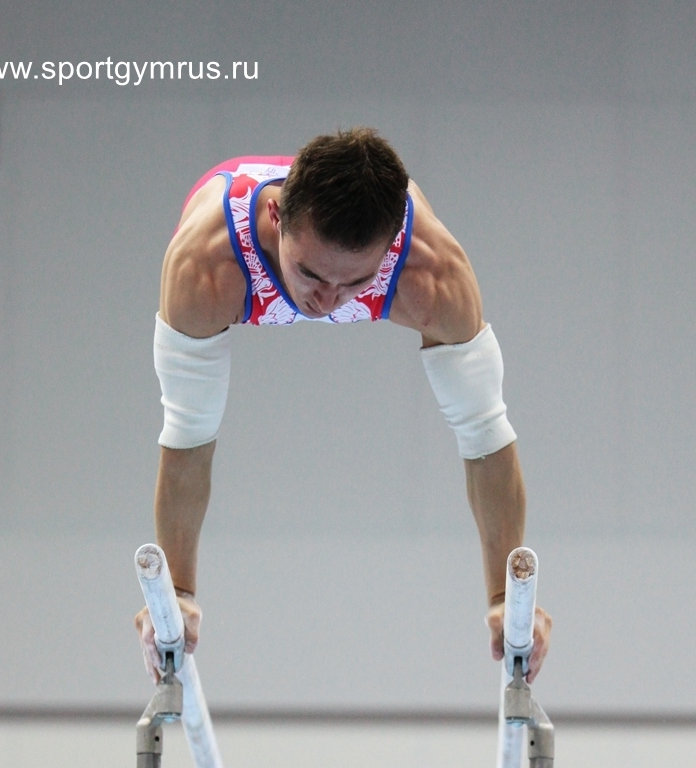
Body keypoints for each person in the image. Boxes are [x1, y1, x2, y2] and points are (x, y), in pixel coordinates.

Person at [134, 127, 552, 685]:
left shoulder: (429, 274)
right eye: (309, 272)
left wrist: (505, 598)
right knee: (191, 419)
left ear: (390, 246)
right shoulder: (207, 268)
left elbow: (485, 436)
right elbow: (189, 437)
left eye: (356, 281)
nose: (327, 299)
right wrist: (178, 593)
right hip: (231, 239)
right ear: (277, 216)